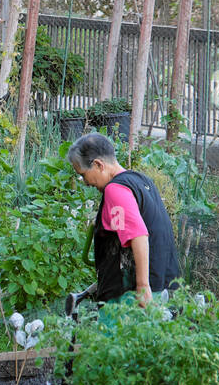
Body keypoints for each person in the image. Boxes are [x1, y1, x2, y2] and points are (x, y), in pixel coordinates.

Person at [67, 132, 180, 308]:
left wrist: (142, 287)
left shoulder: (116, 190)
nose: (84, 182)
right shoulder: (141, 180)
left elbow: (138, 235)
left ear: (98, 164)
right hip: (161, 283)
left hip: (132, 294)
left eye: (83, 174)